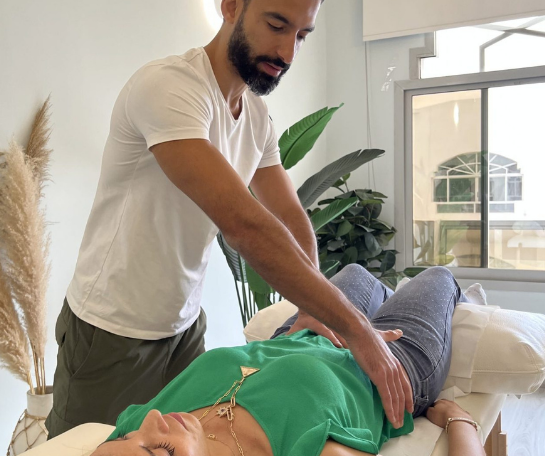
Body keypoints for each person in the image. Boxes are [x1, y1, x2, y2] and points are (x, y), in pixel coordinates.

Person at [46, 0, 412, 438]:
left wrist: (311, 308)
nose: (288, 53)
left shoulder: (255, 116)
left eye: (301, 36)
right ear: (231, 6)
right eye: (276, 25)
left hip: (183, 328)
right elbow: (245, 225)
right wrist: (356, 329)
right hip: (111, 330)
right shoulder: (169, 88)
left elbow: (289, 215)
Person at [90, 265, 486, 456]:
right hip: (391, 365)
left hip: (303, 332)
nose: (150, 420)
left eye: (125, 438)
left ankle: (380, 301)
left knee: (355, 273)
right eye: (159, 450)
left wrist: (333, 322)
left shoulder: (135, 435)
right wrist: (459, 421)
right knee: (437, 276)